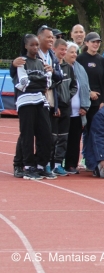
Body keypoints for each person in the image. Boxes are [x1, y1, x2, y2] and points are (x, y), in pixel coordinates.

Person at [13, 34, 54, 180]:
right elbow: (23, 83)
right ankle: (28, 166)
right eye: (32, 45)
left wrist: (37, 81)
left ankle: (41, 165)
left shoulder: (41, 62)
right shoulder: (21, 61)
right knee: (27, 135)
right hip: (25, 102)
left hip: (41, 101)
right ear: (25, 46)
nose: (35, 48)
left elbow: (48, 83)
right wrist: (40, 80)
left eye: (37, 45)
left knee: (45, 134)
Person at [76, 32, 104, 167]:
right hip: (83, 101)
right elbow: (78, 79)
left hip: (98, 103)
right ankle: (73, 159)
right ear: (86, 43)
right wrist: (88, 92)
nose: (96, 44)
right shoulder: (80, 59)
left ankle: (90, 160)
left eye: (98, 42)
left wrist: (103, 101)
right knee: (82, 131)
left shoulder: (102, 60)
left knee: (95, 132)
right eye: (93, 41)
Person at [48, 39, 77, 176]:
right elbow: (50, 87)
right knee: (52, 137)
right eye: (61, 49)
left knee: (63, 137)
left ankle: (58, 164)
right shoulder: (51, 67)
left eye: (65, 50)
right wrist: (57, 103)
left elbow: (74, 86)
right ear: (54, 49)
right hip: (54, 108)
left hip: (66, 108)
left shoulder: (68, 68)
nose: (63, 52)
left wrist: (67, 97)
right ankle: (48, 163)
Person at [63, 42, 90, 174]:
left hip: (78, 112)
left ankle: (71, 164)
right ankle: (56, 163)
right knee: (61, 138)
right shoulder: (60, 67)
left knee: (75, 139)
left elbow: (86, 88)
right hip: (63, 111)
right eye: (71, 52)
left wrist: (85, 106)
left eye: (75, 52)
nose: (74, 54)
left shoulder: (80, 68)